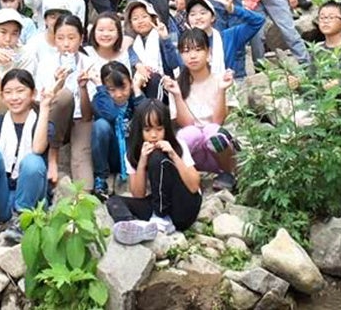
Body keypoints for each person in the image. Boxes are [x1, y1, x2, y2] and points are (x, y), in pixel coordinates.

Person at [0, 69, 53, 243]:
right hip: (3, 196)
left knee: (33, 161)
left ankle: (22, 221)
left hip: (32, 202)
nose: (14, 97)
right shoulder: (0, 122)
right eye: (8, 92)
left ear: (33, 94)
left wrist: (45, 107)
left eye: (20, 91)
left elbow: (37, 148)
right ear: (2, 96)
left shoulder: (42, 122)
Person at [106, 98, 202, 244]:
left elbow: (194, 186)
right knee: (114, 201)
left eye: (159, 129)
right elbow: (138, 194)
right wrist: (143, 161)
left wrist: (173, 155)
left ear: (166, 129)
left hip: (184, 206)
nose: (153, 135)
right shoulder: (132, 154)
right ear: (140, 130)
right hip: (156, 201)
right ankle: (131, 225)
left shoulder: (178, 146)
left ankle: (161, 218)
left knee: (157, 157)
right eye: (147, 130)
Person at [165, 28, 237, 191]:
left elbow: (219, 121)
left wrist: (221, 90)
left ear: (208, 52)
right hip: (193, 152)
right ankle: (185, 177)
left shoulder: (222, 79)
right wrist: (176, 95)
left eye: (198, 50)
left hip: (220, 151)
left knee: (213, 132)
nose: (192, 55)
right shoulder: (177, 84)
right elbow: (186, 123)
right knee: (189, 133)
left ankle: (227, 174)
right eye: (186, 51)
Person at [34, 13, 96, 187]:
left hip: (80, 119)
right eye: (60, 38)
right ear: (54, 40)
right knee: (65, 96)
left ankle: (84, 196)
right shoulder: (46, 63)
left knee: (81, 157)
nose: (66, 44)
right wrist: (57, 84)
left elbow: (88, 113)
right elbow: (43, 102)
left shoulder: (88, 63)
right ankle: (53, 156)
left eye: (71, 38)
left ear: (81, 38)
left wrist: (83, 87)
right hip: (54, 118)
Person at [89, 62, 142, 199]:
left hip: (134, 154)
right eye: (112, 90)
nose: (119, 94)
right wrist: (101, 90)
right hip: (113, 155)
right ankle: (101, 179)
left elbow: (146, 115)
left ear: (130, 83)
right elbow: (111, 114)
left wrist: (136, 90)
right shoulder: (100, 100)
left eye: (123, 87)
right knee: (100, 125)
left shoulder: (135, 99)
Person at [182, 0, 264, 81]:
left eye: (203, 13)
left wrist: (233, 9)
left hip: (231, 86)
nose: (198, 17)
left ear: (213, 18)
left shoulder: (230, 36)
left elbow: (258, 21)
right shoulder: (186, 44)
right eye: (193, 14)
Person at [125, 0, 180, 101]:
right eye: (135, 18)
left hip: (164, 85)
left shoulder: (162, 37)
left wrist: (165, 39)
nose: (140, 21)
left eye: (144, 16)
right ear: (131, 24)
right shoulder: (132, 43)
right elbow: (130, 55)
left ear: (153, 18)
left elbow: (174, 63)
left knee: (153, 79)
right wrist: (138, 65)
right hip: (141, 83)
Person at [85, 11, 129, 80]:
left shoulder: (125, 56)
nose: (105, 34)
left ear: (118, 34)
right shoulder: (85, 54)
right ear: (93, 32)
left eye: (111, 30)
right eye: (101, 30)